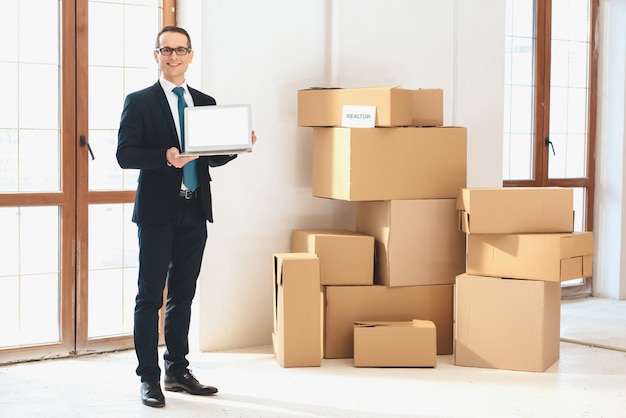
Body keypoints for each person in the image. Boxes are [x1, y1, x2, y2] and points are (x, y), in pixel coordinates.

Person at [116, 25, 256, 408]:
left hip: (195, 208)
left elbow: (212, 155)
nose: (173, 56)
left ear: (191, 55)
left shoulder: (205, 101)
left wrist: (238, 145)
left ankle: (177, 370)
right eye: (166, 50)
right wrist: (164, 157)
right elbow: (125, 155)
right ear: (156, 56)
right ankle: (149, 379)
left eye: (181, 50)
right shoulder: (140, 101)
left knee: (183, 294)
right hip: (158, 212)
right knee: (149, 297)